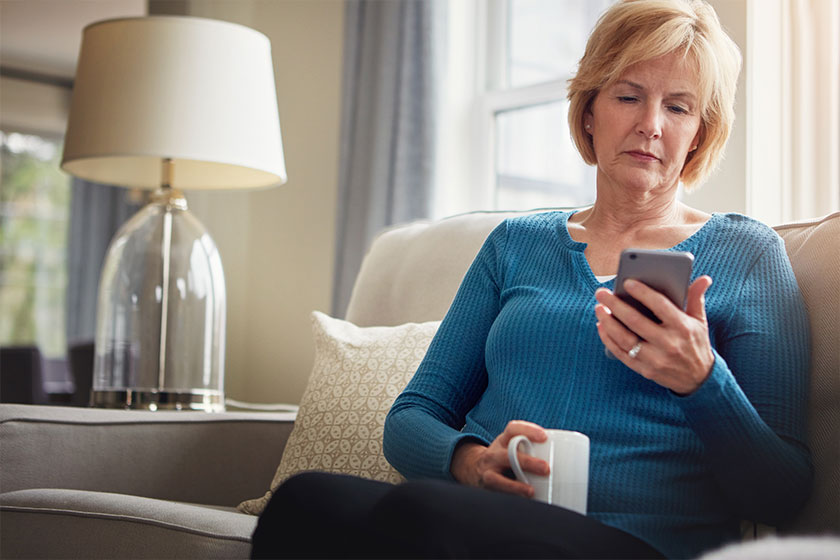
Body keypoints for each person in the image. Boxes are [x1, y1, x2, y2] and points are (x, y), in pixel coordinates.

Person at [251, 1, 812, 558]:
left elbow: (781, 493)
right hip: (482, 513)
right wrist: (468, 462)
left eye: (679, 107)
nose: (650, 124)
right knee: (305, 501)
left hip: (636, 543)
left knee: (421, 512)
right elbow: (411, 416)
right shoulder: (517, 244)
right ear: (589, 111)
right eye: (628, 96)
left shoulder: (748, 255)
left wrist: (701, 380)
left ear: (699, 133)